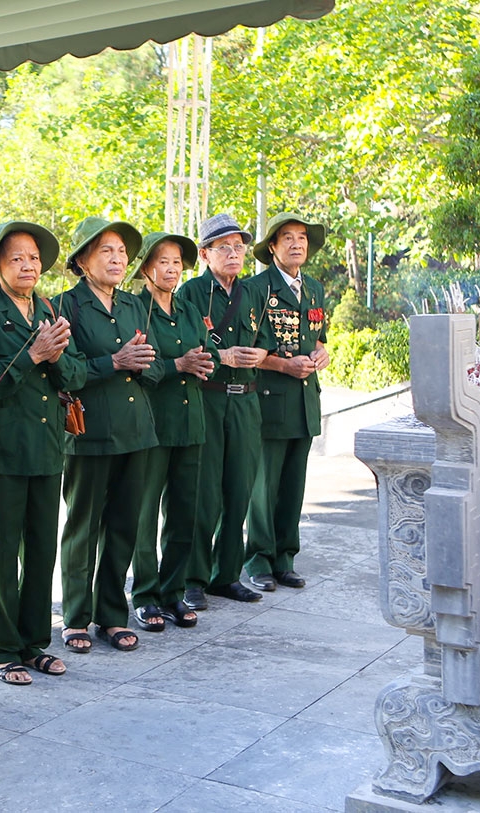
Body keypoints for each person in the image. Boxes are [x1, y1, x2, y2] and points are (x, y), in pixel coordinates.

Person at [0, 222, 87, 684]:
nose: (28, 265)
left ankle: (35, 643)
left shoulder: (49, 309)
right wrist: (31, 356)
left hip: (46, 448)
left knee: (39, 550)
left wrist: (55, 358)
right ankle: (2, 647)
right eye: (16, 258)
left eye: (34, 258)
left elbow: (74, 376)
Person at [57, 217, 160, 654]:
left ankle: (113, 615)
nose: (117, 258)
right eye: (106, 251)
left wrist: (141, 362)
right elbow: (66, 370)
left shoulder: (137, 304)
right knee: (83, 525)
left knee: (125, 525)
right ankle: (76, 616)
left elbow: (152, 363)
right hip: (91, 431)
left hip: (137, 430)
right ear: (82, 260)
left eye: (121, 251)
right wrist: (114, 362)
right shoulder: (67, 305)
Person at [175, 213, 271, 610]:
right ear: (204, 254)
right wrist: (222, 354)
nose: (234, 254)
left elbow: (266, 340)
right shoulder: (191, 293)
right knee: (204, 491)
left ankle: (227, 574)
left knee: (239, 488)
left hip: (246, 399)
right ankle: (194, 578)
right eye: (224, 247)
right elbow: (183, 344)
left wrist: (260, 352)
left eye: (239, 246)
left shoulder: (251, 293)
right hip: (209, 396)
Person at [129, 232, 214, 632]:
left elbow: (204, 351)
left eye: (178, 261)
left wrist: (201, 362)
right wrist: (176, 365)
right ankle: (145, 596)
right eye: (163, 261)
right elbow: (140, 366)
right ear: (146, 267)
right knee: (146, 513)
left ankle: (172, 592)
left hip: (191, 420)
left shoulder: (189, 309)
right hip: (154, 424)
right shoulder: (135, 309)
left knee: (185, 511)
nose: (172, 268)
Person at [245, 212, 331, 591]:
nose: (297, 244)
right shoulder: (257, 288)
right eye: (288, 238)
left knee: (294, 486)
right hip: (271, 398)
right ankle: (258, 560)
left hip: (305, 399)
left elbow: (319, 335)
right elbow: (248, 349)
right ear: (273, 247)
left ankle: (284, 558)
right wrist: (284, 365)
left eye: (302, 238)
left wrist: (322, 354)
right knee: (264, 487)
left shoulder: (313, 288)